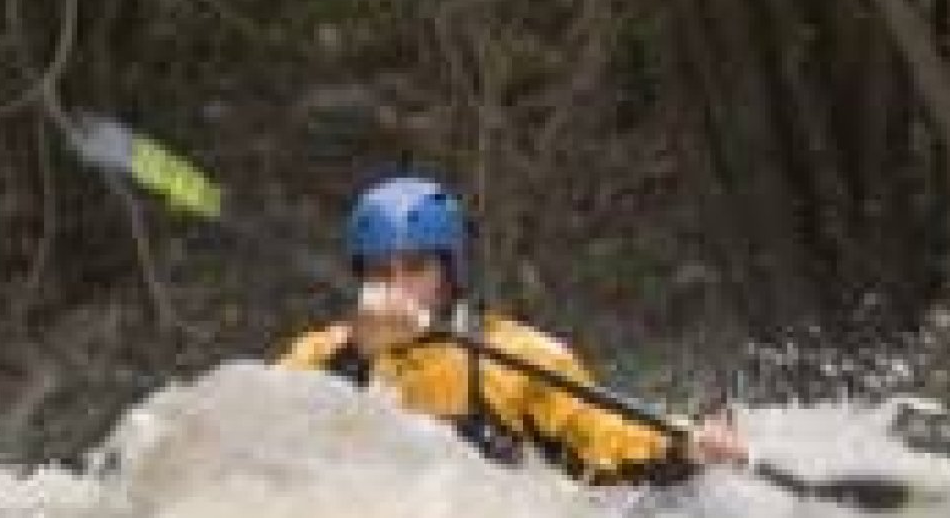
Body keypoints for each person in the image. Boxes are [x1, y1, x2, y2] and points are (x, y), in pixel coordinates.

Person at [275, 176, 747, 485]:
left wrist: (683, 446)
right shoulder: (325, 354)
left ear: (450, 271)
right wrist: (357, 355)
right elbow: (255, 434)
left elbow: (600, 440)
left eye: (415, 267)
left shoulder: (516, 356)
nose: (396, 287)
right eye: (380, 272)